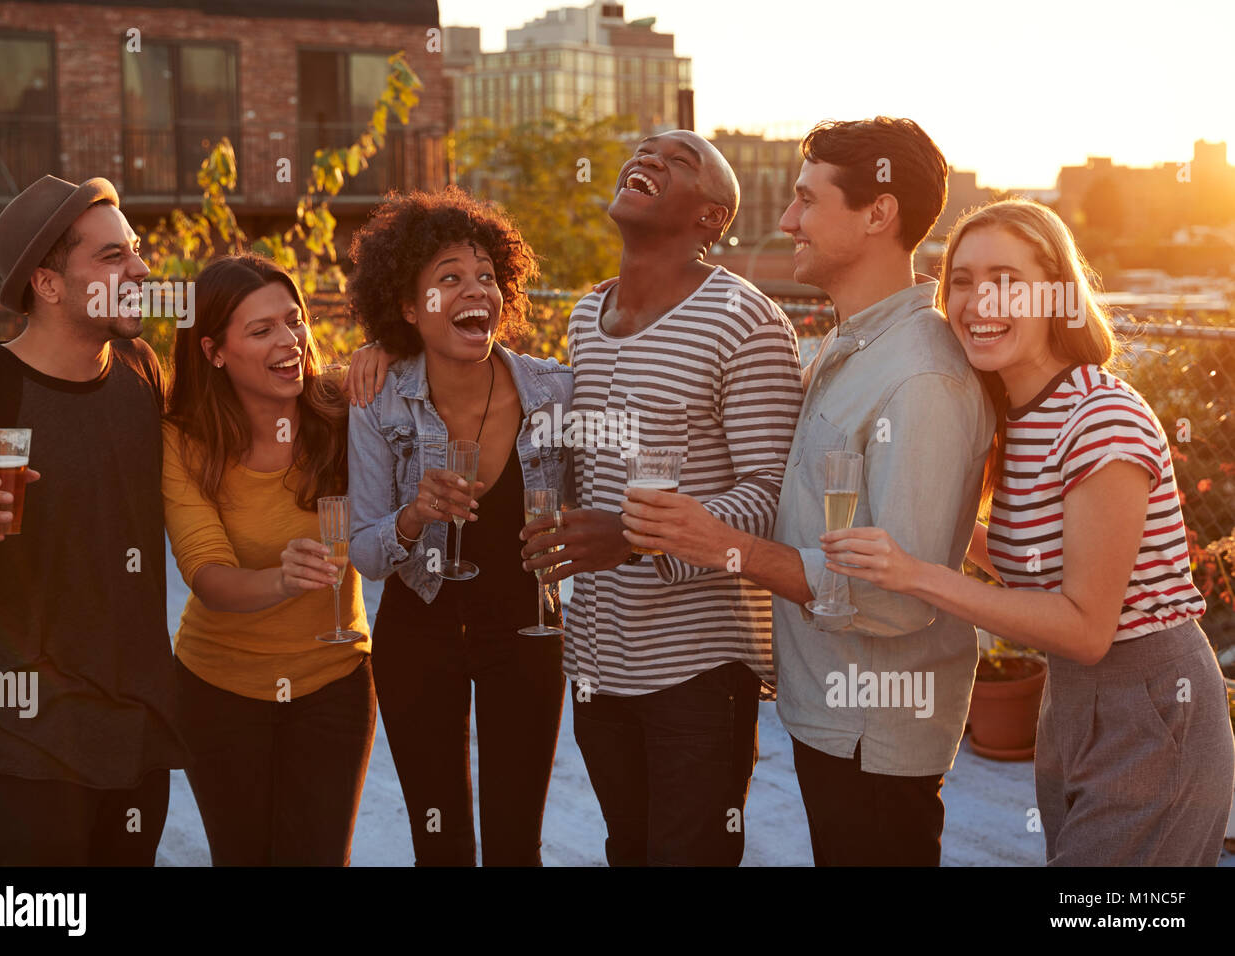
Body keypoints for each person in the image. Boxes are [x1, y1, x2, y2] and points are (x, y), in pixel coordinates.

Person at [620, 118, 993, 866]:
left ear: (877, 214)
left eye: (805, 200)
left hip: (873, 734)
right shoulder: (853, 344)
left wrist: (721, 546)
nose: (787, 220)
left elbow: (895, 596)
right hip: (833, 716)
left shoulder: (920, 378)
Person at [820, 198, 1235, 866]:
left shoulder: (1100, 419)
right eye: (962, 279)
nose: (980, 302)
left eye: (1006, 281)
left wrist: (917, 574)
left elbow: (1084, 627)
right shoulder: (1013, 415)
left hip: (1152, 705)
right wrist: (896, 535)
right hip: (1073, 702)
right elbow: (1033, 563)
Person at [521, 130, 805, 867]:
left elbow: (774, 497)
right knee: (629, 850)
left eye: (679, 161)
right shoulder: (587, 314)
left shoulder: (745, 321)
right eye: (644, 150)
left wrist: (634, 536)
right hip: (595, 658)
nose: (646, 159)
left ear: (712, 218)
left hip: (700, 670)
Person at [0, 175, 187, 865]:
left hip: (138, 724)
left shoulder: (141, 368)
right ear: (47, 284)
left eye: (134, 250)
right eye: (112, 257)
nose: (139, 269)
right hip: (32, 735)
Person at [345, 187, 572, 866]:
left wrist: (581, 535)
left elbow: (608, 499)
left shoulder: (556, 392)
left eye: (486, 277)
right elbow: (364, 551)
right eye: (449, 278)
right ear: (410, 309)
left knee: (514, 845)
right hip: (419, 639)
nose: (477, 290)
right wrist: (414, 515)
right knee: (439, 845)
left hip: (530, 635)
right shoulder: (380, 400)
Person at [160, 254, 374, 866]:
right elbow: (208, 576)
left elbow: (432, 376)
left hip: (334, 685)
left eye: (294, 319)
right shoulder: (183, 440)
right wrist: (282, 579)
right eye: (262, 330)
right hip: (218, 691)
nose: (290, 341)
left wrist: (386, 348)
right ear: (213, 351)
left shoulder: (341, 410)